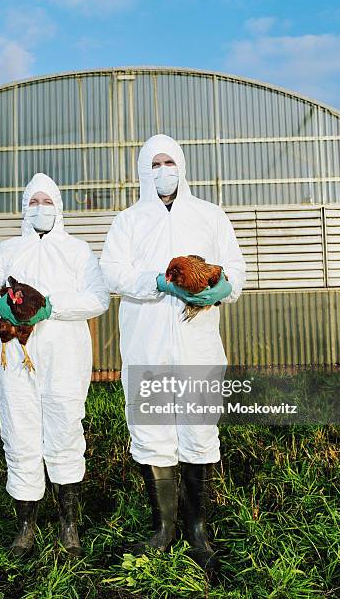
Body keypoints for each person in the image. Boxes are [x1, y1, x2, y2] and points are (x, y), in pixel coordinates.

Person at [99, 134, 246, 574]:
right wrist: (157, 282)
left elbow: (235, 270)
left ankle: (196, 528)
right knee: (152, 432)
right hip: (147, 344)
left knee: (199, 434)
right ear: (144, 171)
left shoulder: (210, 215)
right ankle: (164, 528)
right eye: (155, 163)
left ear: (182, 166)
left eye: (170, 162)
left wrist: (224, 287)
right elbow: (112, 272)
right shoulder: (128, 221)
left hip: (198, 345)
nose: (164, 169)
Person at [0, 172, 110, 557]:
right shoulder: (6, 250)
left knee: (65, 432)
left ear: (59, 208)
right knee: (20, 433)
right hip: (16, 358)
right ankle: (26, 527)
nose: (41, 209)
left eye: (48, 202)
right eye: (34, 202)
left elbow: (99, 299)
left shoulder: (78, 251)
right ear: (24, 208)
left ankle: (69, 526)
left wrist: (51, 306)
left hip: (66, 358)